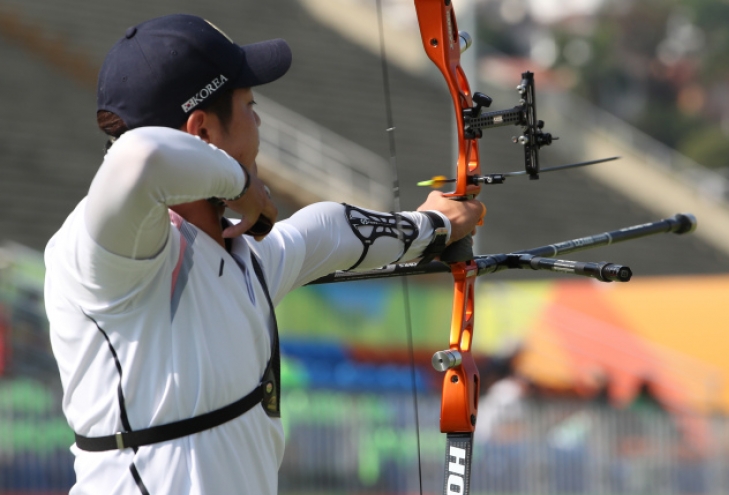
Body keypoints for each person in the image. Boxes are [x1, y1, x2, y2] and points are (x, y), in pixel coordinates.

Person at [43, 13, 484, 495]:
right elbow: (140, 159)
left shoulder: (239, 255)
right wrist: (239, 183)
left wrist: (431, 226)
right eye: (250, 105)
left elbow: (325, 232)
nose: (257, 121)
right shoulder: (105, 254)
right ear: (203, 132)